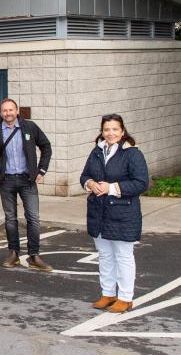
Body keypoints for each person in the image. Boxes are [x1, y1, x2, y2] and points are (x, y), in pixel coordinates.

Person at [80, 114, 148, 314]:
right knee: (105, 256)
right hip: (99, 212)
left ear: (122, 131)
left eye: (114, 129)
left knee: (123, 256)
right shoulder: (97, 151)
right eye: (106, 129)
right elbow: (85, 175)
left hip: (123, 214)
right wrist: (90, 183)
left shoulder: (132, 154)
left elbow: (141, 183)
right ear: (102, 131)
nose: (110, 133)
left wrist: (111, 188)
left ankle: (125, 298)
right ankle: (108, 293)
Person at [0, 98, 53, 271]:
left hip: (28, 180)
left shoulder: (30, 127)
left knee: (33, 218)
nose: (8, 113)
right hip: (6, 180)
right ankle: (14, 253)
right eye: (4, 110)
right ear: (1, 113)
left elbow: (46, 146)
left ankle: (34, 255)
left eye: (11, 110)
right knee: (10, 218)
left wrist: (41, 170)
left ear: (17, 111)